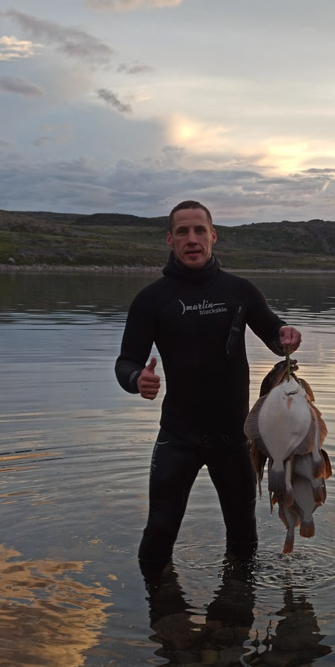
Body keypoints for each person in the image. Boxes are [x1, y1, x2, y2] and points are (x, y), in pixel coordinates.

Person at [115, 200, 301, 576]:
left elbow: (276, 333)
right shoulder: (152, 300)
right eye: (182, 231)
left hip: (234, 439)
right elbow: (126, 362)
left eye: (200, 230)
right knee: (159, 534)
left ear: (213, 236)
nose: (192, 238)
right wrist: (138, 379)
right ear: (170, 240)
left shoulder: (239, 291)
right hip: (178, 437)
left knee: (244, 541)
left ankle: (236, 617)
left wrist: (288, 337)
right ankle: (160, 619)